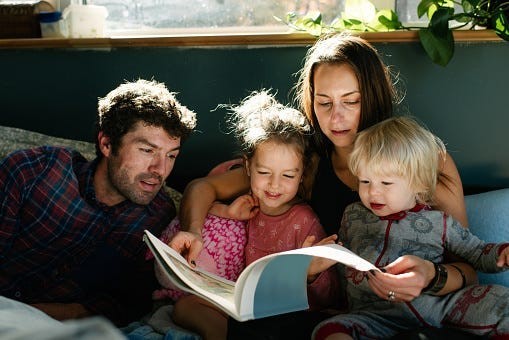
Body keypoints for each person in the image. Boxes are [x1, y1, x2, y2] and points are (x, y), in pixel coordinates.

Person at [169, 32, 479, 339]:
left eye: (351, 101)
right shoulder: (309, 163)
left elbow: (469, 270)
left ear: (372, 96)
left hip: (419, 311)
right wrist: (193, 230)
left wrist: (430, 276)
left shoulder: (424, 158)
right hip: (341, 316)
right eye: (324, 102)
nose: (336, 117)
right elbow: (202, 188)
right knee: (201, 312)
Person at [0, 79, 197, 327]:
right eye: (147, 150)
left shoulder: (157, 216)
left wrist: (37, 316)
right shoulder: (34, 172)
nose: (160, 170)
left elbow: (125, 303)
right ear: (106, 144)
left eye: (171, 155)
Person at [150, 90, 339, 340]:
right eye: (264, 172)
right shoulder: (248, 204)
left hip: (284, 313)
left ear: (302, 175)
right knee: (186, 307)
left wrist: (310, 273)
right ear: (248, 166)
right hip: (243, 304)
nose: (274, 185)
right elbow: (203, 194)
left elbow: (329, 296)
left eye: (288, 176)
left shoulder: (305, 221)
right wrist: (226, 212)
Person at [312, 115, 509, 339]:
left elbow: (477, 252)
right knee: (329, 330)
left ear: (418, 184)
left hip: (439, 305)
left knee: (502, 301)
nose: (373, 192)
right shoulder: (353, 215)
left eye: (386, 183)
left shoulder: (439, 221)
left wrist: (501, 253)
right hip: (372, 314)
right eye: (365, 181)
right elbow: (341, 263)